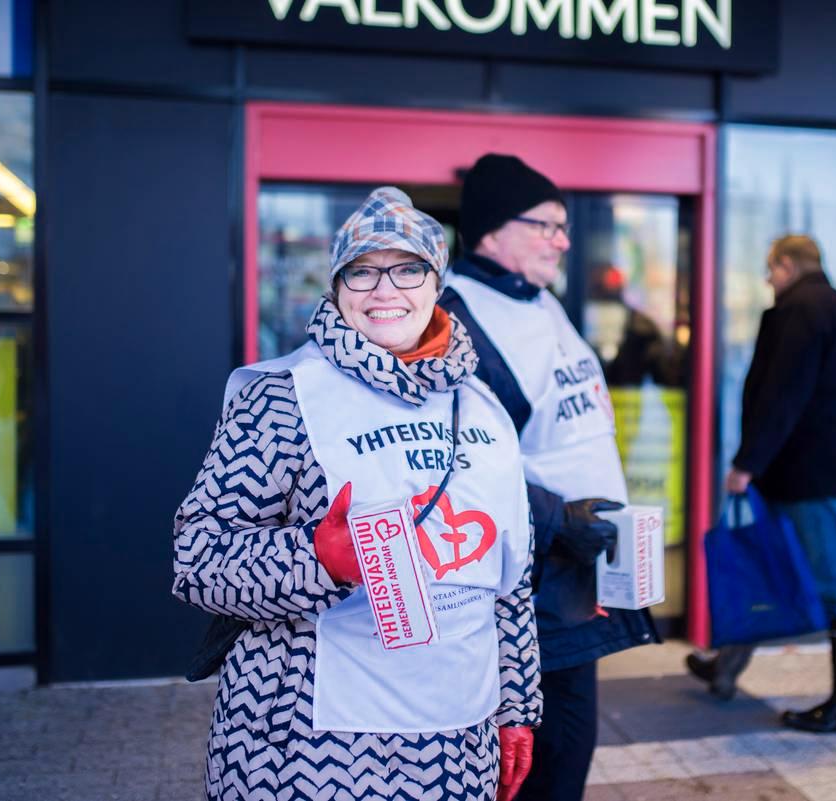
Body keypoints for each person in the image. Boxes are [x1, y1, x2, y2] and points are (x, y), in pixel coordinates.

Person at [173, 187, 541, 801]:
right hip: (306, 746)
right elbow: (198, 559)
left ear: (437, 282)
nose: (384, 289)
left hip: (456, 740)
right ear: (337, 288)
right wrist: (317, 560)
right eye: (361, 272)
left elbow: (510, 579)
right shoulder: (281, 396)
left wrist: (517, 703)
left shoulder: (485, 407)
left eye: (407, 268)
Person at [440, 154, 659, 801]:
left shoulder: (540, 300)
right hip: (527, 582)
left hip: (579, 569)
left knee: (569, 751)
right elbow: (455, 466)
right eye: (546, 225)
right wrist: (563, 518)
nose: (563, 240)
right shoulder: (455, 320)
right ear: (489, 230)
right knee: (542, 759)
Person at [687, 234, 836, 734]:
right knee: (767, 563)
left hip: (801, 470)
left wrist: (748, 462)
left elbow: (783, 394)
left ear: (786, 265)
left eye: (770, 270)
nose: (768, 280)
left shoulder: (798, 311)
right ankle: (724, 665)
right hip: (827, 465)